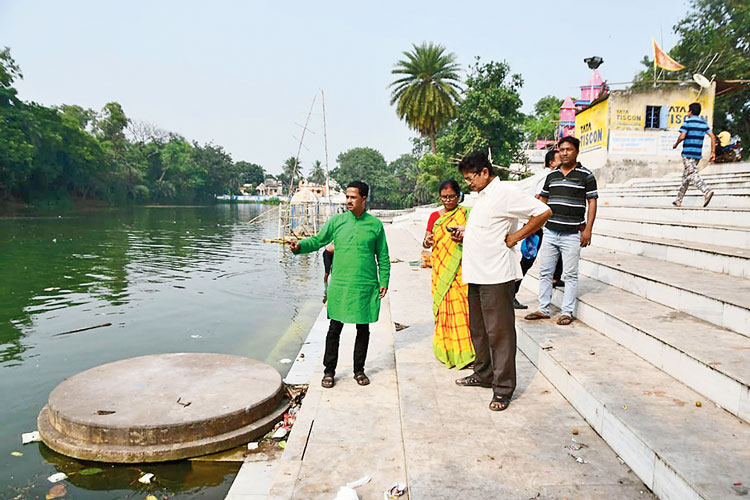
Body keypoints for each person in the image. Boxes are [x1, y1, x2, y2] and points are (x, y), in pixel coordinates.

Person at [452, 151, 552, 411]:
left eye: (470, 178)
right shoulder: (482, 198)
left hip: (497, 276)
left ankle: (503, 388)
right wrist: (466, 232)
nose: (468, 183)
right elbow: (489, 227)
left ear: (485, 172)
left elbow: (543, 211)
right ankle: (484, 373)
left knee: (500, 333)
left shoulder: (505, 193)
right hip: (476, 274)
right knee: (479, 330)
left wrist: (516, 236)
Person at [288, 181, 390, 388]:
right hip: (340, 285)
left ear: (364, 198)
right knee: (334, 329)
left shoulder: (375, 225)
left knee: (363, 329)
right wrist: (299, 246)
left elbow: (384, 257)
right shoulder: (337, 221)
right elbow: (318, 241)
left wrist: (384, 280)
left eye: (353, 197)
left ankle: (359, 370)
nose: (348, 201)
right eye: (347, 196)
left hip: (365, 285)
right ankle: (329, 371)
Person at [525, 136, 598, 326]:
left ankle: (567, 312)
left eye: (569, 149)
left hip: (572, 233)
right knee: (545, 272)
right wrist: (532, 222)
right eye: (562, 150)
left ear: (577, 151)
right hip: (550, 231)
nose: (565, 153)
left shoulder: (586, 176)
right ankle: (543, 308)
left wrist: (588, 229)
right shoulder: (552, 176)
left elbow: (592, 202)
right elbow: (544, 201)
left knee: (571, 275)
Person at [422, 179, 475, 369]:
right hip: (442, 269)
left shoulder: (467, 214)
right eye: (444, 197)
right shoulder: (435, 216)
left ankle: (466, 354)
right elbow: (426, 241)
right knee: (444, 309)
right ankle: (446, 349)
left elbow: (476, 237)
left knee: (463, 310)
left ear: (459, 195)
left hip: (461, 269)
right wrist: (427, 241)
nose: (448, 200)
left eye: (452, 196)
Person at [513, 149, 563, 309]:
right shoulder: (547, 177)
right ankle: (511, 294)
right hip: (537, 225)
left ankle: (556, 277)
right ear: (552, 163)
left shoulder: (554, 177)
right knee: (527, 260)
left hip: (545, 224)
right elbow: (538, 199)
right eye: (559, 158)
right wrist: (534, 226)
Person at [672, 102, 716, 207]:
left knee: (691, 175)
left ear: (690, 111)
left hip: (687, 153)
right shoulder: (703, 124)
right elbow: (713, 136)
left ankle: (706, 191)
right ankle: (678, 200)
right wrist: (713, 152)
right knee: (686, 177)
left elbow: (682, 136)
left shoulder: (687, 123)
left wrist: (676, 144)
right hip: (697, 154)